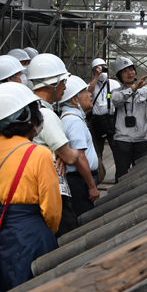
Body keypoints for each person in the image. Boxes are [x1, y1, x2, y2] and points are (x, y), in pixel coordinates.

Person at [0, 82, 61, 292]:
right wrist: (45, 232)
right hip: (30, 236)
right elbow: (52, 210)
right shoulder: (39, 154)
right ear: (25, 116)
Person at [27, 54, 79, 238]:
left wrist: (58, 153)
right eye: (63, 81)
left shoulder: (30, 108)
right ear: (52, 83)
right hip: (52, 189)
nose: (65, 86)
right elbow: (71, 157)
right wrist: (63, 154)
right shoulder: (46, 115)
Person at [110, 58, 147, 183]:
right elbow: (116, 101)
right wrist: (133, 89)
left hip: (141, 140)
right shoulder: (116, 92)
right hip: (122, 140)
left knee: (141, 176)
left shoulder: (146, 91)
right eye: (125, 71)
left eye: (132, 70)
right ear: (120, 75)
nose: (130, 73)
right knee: (122, 176)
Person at [59, 76, 99, 218]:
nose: (90, 94)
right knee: (84, 219)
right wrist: (92, 187)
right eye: (85, 92)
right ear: (75, 99)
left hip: (79, 179)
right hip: (79, 181)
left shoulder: (70, 118)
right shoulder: (74, 121)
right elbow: (80, 157)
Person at [87, 58, 119, 183]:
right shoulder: (92, 84)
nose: (102, 69)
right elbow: (89, 92)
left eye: (104, 66)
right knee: (97, 151)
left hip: (111, 119)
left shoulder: (114, 83)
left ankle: (119, 176)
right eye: (99, 67)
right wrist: (96, 76)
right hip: (97, 121)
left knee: (116, 148)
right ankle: (97, 176)